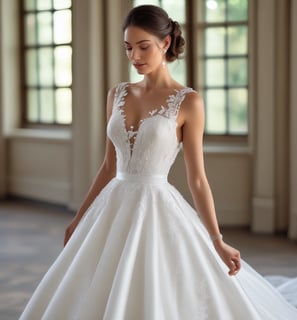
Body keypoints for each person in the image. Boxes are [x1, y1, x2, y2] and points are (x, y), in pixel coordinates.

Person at [20, 5, 297, 320]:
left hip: (157, 205)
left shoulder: (189, 101)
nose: (135, 56)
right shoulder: (117, 94)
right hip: (111, 207)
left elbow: (197, 179)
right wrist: (79, 218)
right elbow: (110, 166)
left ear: (165, 43)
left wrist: (217, 240)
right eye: (128, 48)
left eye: (143, 46)